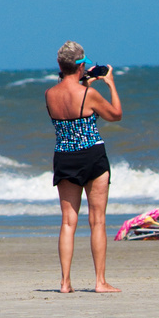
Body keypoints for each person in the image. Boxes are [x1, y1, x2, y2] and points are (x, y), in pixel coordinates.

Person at [45, 41, 123, 294]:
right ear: (80, 65)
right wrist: (109, 83)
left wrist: (83, 82)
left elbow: (67, 113)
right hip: (91, 155)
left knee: (68, 222)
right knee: (97, 220)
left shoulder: (50, 94)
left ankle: (65, 282)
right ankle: (100, 282)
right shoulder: (88, 94)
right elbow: (115, 114)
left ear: (59, 65)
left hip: (64, 156)